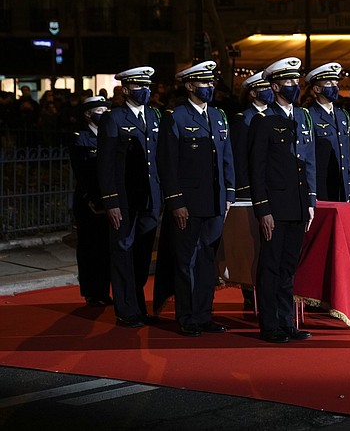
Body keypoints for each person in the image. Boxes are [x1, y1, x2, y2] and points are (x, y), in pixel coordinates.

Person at [157, 61, 235, 337]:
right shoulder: (175, 117)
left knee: (207, 262)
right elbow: (167, 163)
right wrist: (176, 201)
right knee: (186, 261)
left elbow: (227, 159)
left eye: (211, 83)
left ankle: (204, 314)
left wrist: (229, 194)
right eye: (204, 83)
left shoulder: (218, 116)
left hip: (215, 201)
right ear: (190, 86)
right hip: (188, 205)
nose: (210, 87)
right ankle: (187, 316)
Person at [248, 57, 316, 343]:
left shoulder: (301, 117)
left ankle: (287, 321)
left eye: (295, 81)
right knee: (271, 266)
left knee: (288, 268)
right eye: (288, 82)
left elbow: (307, 161)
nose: (294, 86)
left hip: (298, 205)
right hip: (275, 206)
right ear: (274, 86)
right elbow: (257, 168)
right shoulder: (263, 121)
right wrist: (263, 209)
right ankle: (270, 324)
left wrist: (310, 201)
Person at [97, 66, 161, 328]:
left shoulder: (154, 116)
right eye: (138, 86)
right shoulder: (114, 118)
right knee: (123, 252)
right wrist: (111, 201)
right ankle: (125, 309)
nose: (144, 90)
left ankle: (137, 304)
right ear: (125, 90)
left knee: (142, 256)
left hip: (150, 199)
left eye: (147, 86)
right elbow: (106, 164)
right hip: (124, 199)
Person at [229, 70, 273, 311]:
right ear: (253, 92)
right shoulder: (243, 119)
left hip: (273, 190)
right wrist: (243, 191)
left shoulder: (274, 116)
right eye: (264, 89)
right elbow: (240, 159)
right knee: (251, 246)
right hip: (249, 193)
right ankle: (250, 295)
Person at [69, 95, 113, 307]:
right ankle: (90, 292)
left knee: (105, 248)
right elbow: (81, 171)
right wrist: (92, 199)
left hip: (108, 199)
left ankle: (104, 291)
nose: (105, 113)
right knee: (89, 247)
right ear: (88, 114)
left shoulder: (110, 134)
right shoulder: (81, 137)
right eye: (100, 110)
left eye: (106, 109)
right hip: (89, 201)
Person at [305, 62, 350, 202]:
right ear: (317, 89)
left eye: (335, 83)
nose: (335, 87)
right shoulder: (309, 115)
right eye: (329, 83)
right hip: (321, 185)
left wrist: (348, 183)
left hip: (341, 183)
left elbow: (346, 153)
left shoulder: (342, 115)